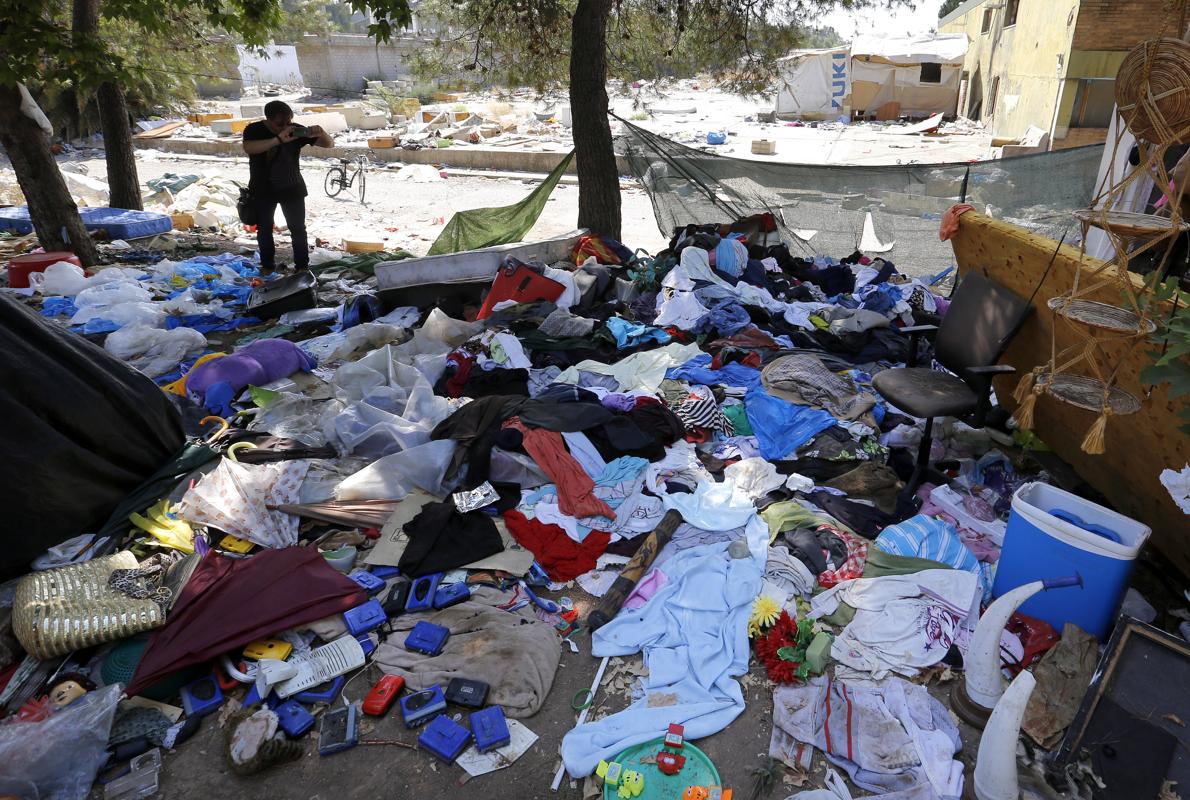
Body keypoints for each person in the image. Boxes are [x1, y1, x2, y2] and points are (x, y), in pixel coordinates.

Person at [241, 101, 333, 273]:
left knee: (298, 229)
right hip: (262, 188)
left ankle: (302, 267)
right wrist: (277, 139)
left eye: (288, 121)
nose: (285, 126)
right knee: (264, 229)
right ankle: (267, 266)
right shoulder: (254, 130)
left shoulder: (295, 129)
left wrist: (321, 133)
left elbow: (329, 144)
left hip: (292, 187)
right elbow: (249, 148)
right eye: (279, 123)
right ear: (268, 120)